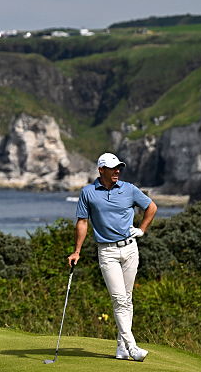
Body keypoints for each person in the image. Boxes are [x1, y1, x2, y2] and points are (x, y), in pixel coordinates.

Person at [67, 152, 158, 361]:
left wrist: (142, 230)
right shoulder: (88, 192)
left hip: (130, 249)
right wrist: (77, 251)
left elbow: (151, 207)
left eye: (119, 168)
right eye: (113, 168)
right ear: (101, 170)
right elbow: (82, 222)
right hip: (106, 251)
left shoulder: (129, 189)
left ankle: (121, 347)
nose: (117, 171)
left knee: (127, 299)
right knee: (119, 299)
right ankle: (132, 347)